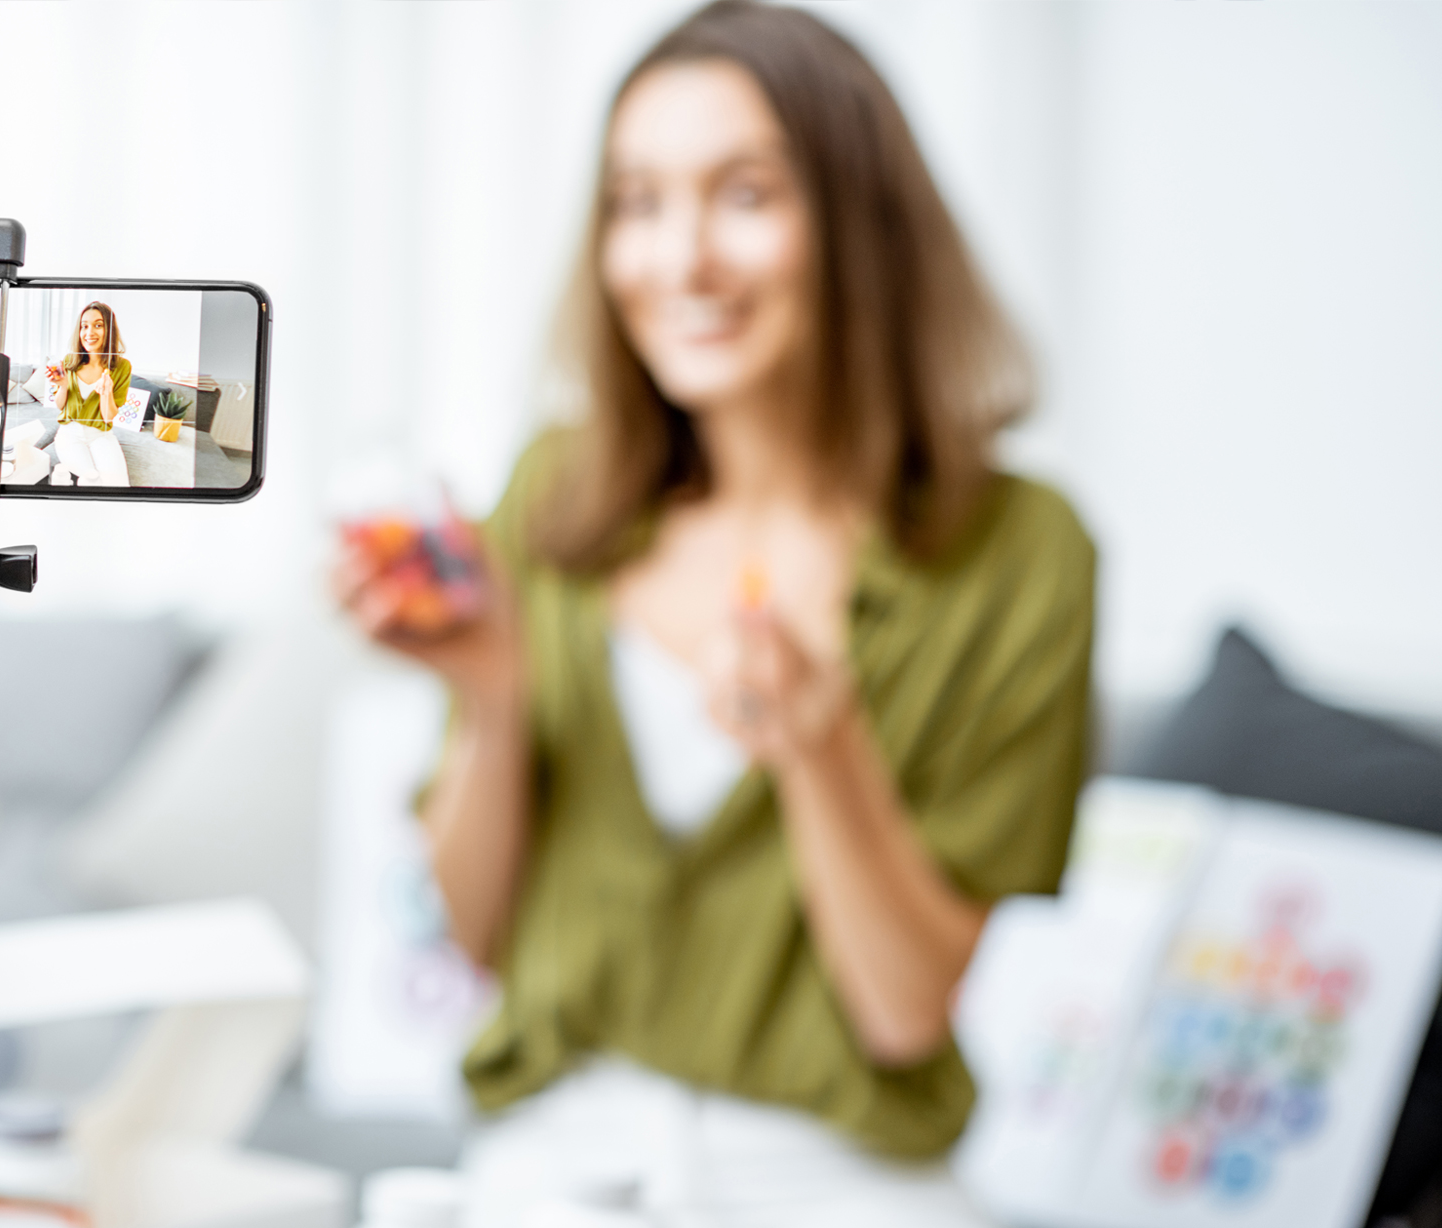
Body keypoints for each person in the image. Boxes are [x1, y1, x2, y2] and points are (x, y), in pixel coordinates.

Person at [339, 1, 1094, 1219]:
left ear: (860, 226)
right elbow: (472, 943)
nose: (678, 261)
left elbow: (904, 1011)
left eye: (744, 194)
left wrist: (821, 744)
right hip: (552, 1156)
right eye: (635, 202)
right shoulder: (557, 494)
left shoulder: (1019, 551)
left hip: (840, 1179)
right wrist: (490, 697)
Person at [48, 301, 133, 486]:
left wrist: (107, 392)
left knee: (118, 484)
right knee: (92, 481)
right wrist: (63, 385)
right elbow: (60, 406)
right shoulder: (70, 361)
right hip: (69, 435)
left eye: (98, 325)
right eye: (84, 326)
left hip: (100, 435)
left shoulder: (121, 366)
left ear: (109, 330)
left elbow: (108, 416)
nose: (89, 333)